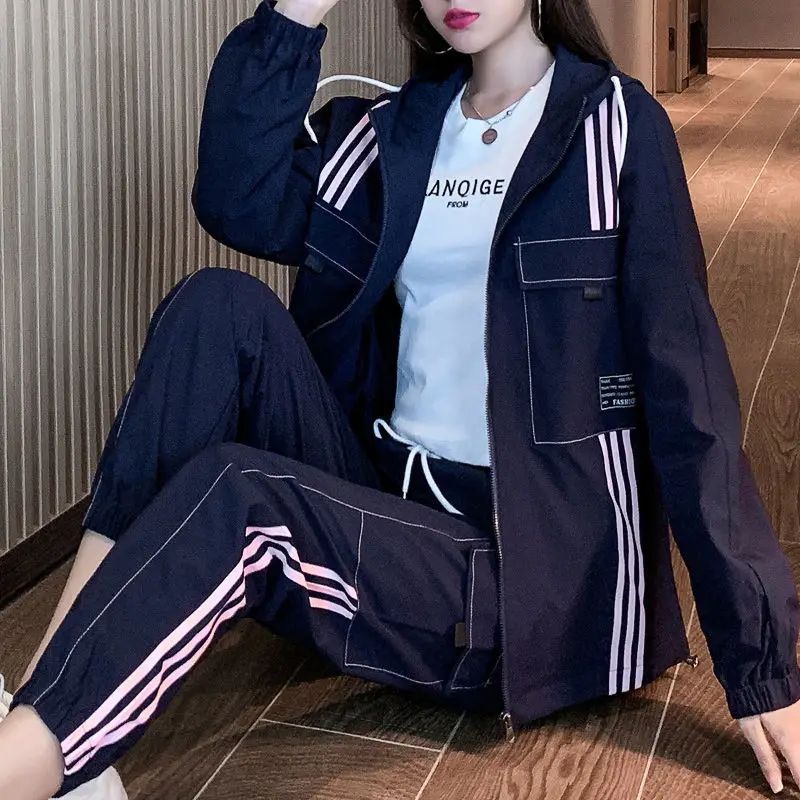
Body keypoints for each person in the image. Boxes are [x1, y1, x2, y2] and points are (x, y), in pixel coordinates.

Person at [1, 0, 799, 797]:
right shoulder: (397, 130)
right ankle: (49, 695)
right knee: (214, 309)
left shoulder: (615, 126)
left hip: (516, 573)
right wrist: (297, 12)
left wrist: (762, 665)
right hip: (386, 499)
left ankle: (33, 761)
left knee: (239, 496)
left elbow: (690, 394)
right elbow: (236, 198)